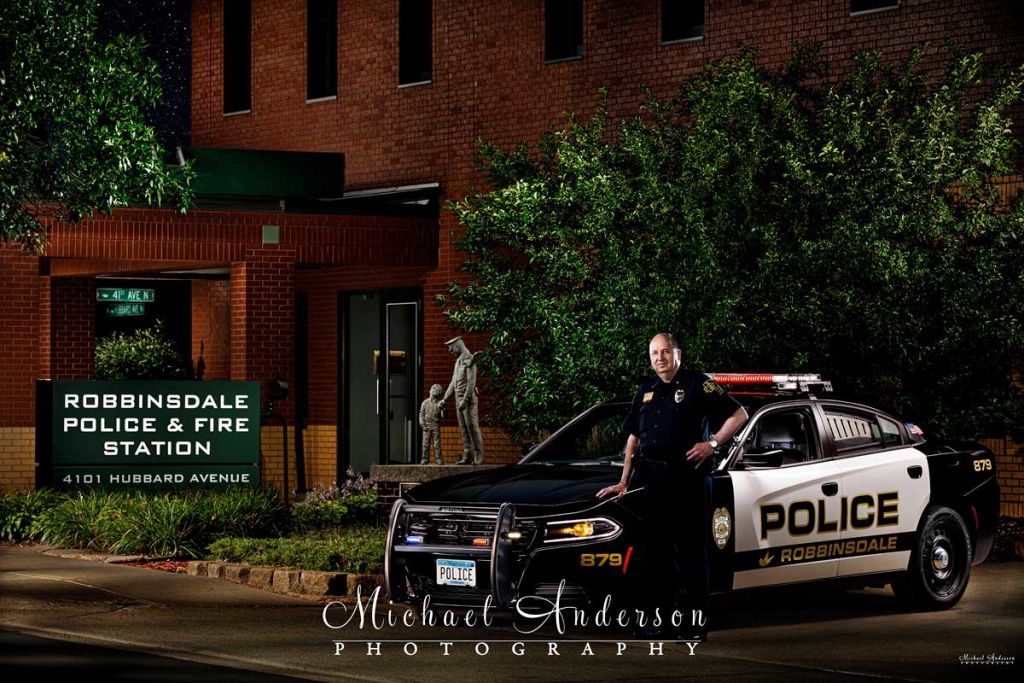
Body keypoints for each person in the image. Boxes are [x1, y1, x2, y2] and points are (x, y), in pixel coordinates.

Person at [597, 333, 747, 641]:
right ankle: (661, 621)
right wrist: (624, 481)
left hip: (688, 480)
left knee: (692, 553)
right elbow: (633, 439)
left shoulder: (697, 384)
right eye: (654, 353)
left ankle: (694, 625)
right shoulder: (646, 390)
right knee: (655, 555)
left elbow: (739, 414)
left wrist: (712, 443)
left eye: (665, 351)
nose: (660, 357)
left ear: (677, 353)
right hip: (652, 482)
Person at [443, 336, 484, 464]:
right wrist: (445, 399)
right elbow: (453, 382)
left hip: (468, 400)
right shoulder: (458, 361)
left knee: (472, 427)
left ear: (458, 346)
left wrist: (465, 401)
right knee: (463, 429)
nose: (450, 351)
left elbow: (471, 383)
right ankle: (468, 455)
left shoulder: (469, 359)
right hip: (458, 398)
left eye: (451, 348)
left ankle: (478, 455)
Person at [419, 383, 445, 465]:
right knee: (425, 444)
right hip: (426, 425)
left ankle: (438, 459)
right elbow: (421, 415)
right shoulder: (425, 403)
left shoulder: (440, 403)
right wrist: (423, 425)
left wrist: (443, 409)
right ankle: (424, 459)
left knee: (437, 444)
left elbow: (443, 416)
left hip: (435, 425)